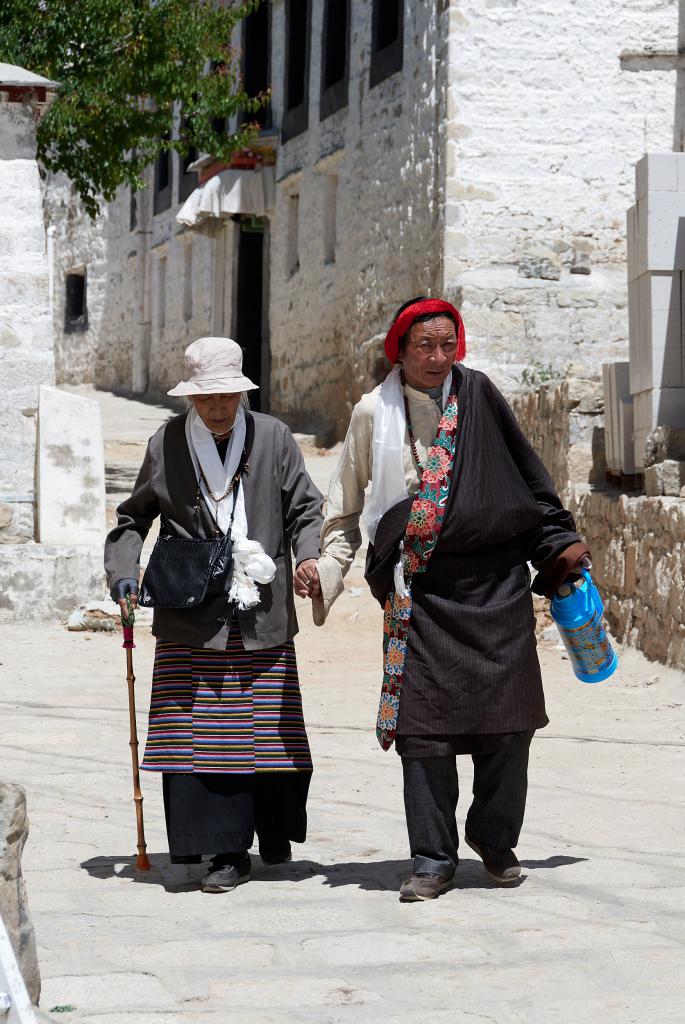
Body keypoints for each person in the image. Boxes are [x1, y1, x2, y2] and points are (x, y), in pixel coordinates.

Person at [310, 297, 591, 902]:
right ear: (400, 352)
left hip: (496, 590)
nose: (438, 357)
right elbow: (345, 507)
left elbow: (527, 479)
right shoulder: (371, 413)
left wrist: (560, 547)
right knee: (424, 736)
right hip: (421, 596)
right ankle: (432, 858)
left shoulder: (481, 397)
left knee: (510, 727)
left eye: (447, 344)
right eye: (423, 346)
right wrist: (328, 571)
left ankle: (494, 841)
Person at [104, 336, 324, 894]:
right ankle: (224, 850)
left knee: (270, 738)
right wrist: (124, 574)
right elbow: (133, 519)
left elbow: (305, 507)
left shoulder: (272, 437)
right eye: (207, 399)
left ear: (241, 391)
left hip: (261, 612)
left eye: (227, 395)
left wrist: (310, 556)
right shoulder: (167, 442)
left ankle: (269, 836)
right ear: (190, 400)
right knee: (199, 738)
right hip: (190, 613)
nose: (219, 408)